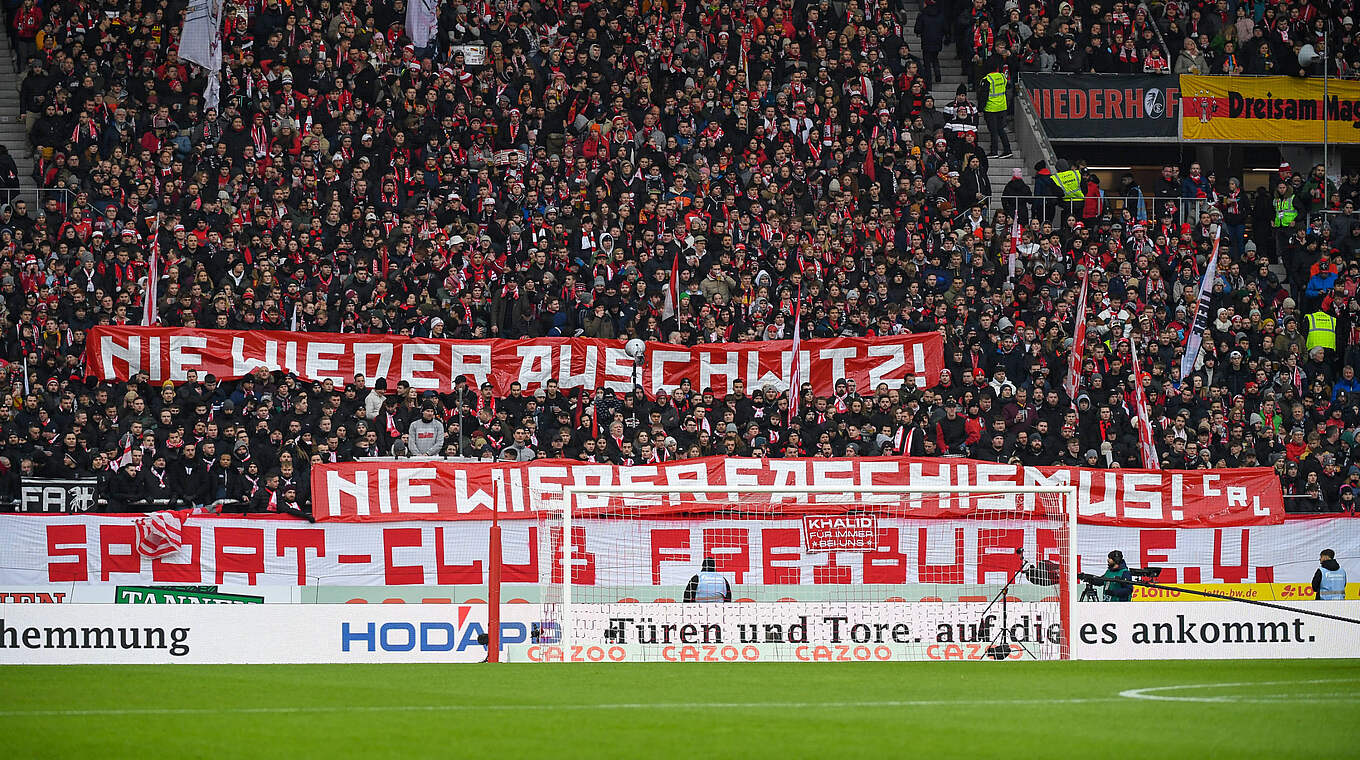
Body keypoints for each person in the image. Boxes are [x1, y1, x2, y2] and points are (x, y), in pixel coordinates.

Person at [980, 66, 1012, 158]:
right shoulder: (1002, 76)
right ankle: (1007, 150)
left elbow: (983, 96)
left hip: (991, 109)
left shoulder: (987, 79)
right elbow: (1008, 86)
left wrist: (980, 109)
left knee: (993, 131)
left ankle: (994, 151)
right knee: (1001, 129)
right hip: (1002, 107)